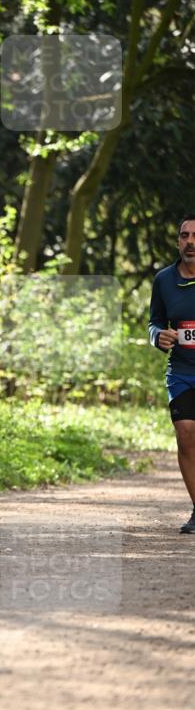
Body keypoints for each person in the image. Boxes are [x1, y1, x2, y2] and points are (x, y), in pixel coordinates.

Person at [149, 213, 195, 534]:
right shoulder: (164, 280)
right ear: (178, 241)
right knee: (186, 436)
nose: (190, 242)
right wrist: (158, 336)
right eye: (184, 235)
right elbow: (154, 322)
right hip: (181, 371)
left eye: (194, 235)